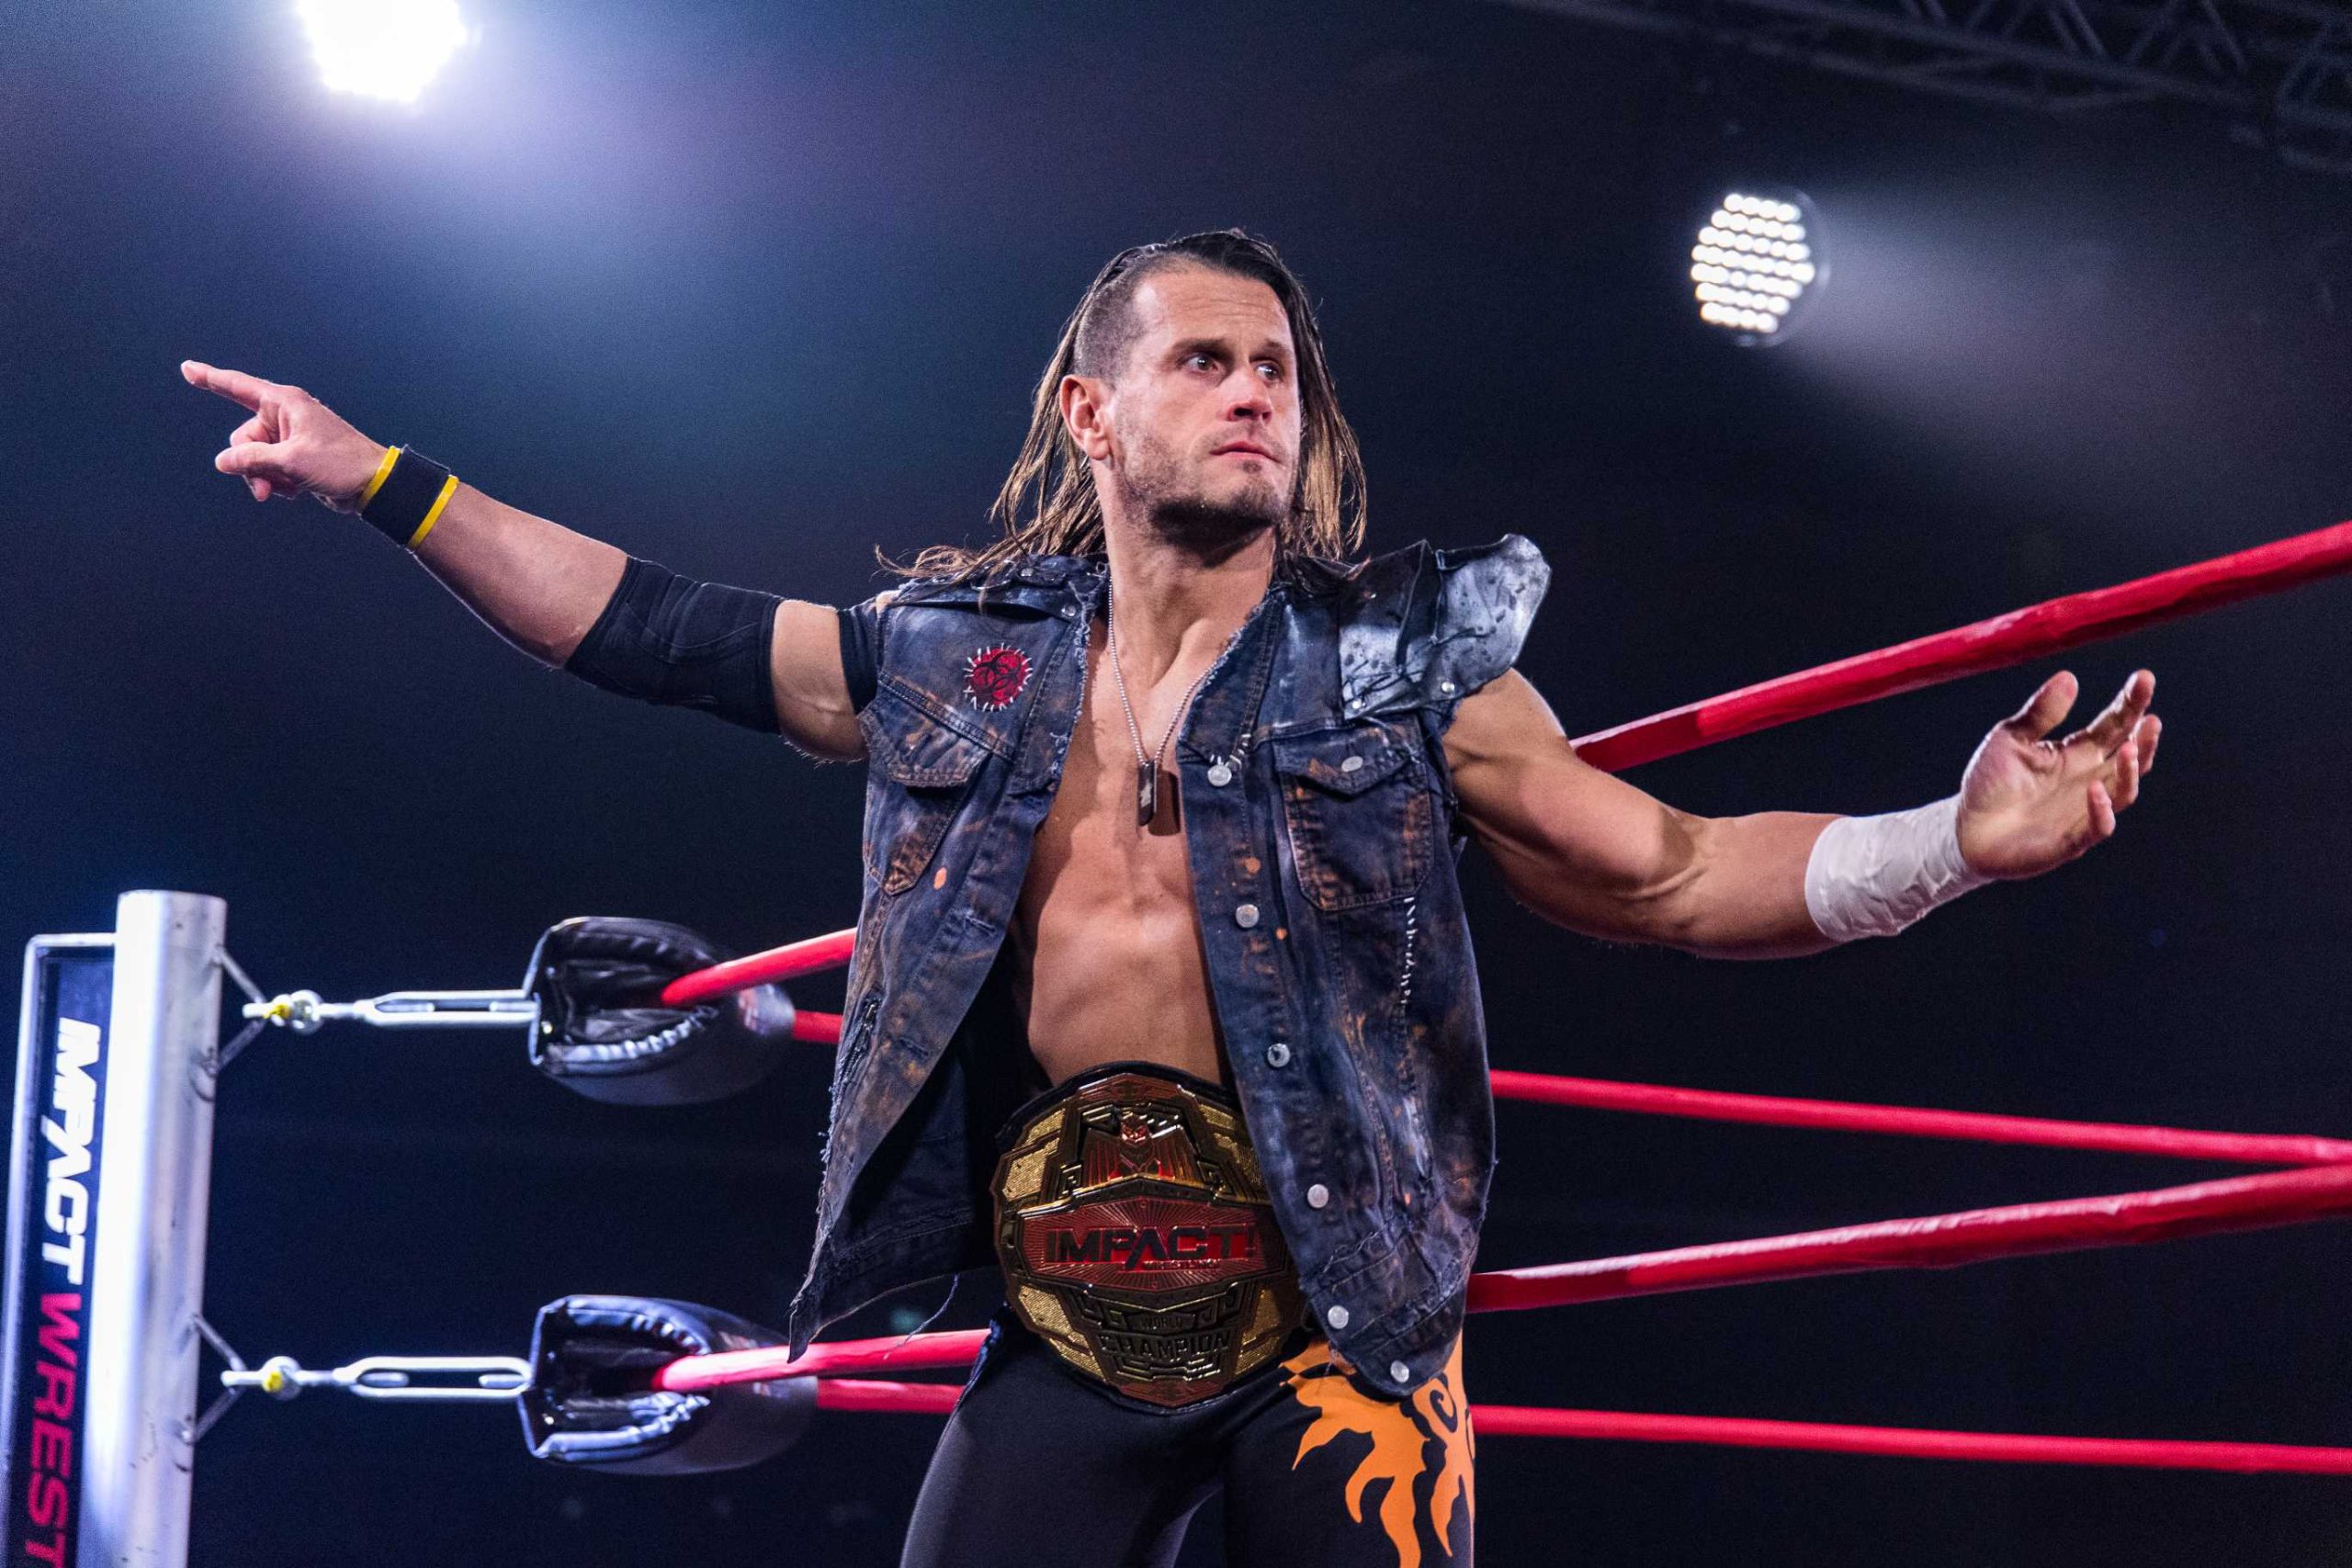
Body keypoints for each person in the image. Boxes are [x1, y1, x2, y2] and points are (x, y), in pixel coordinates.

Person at [182, 229, 2158, 1568]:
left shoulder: (1402, 666)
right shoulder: (959, 665)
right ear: (1092, 411)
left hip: (1340, 1330)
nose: (1253, 395)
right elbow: (648, 627)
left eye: (1276, 368)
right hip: (1071, 1322)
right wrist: (383, 480)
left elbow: (1671, 872)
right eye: (1204, 360)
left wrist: (1947, 843)